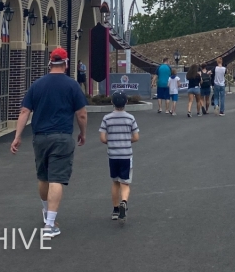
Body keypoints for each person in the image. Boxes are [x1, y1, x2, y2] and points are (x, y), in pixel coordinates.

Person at [11, 47, 88, 238]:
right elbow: (82, 114)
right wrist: (82, 133)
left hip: (40, 137)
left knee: (43, 177)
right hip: (62, 136)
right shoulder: (72, 86)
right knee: (57, 179)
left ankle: (47, 212)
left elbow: (24, 112)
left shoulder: (37, 85)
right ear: (66, 63)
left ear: (50, 63)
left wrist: (17, 136)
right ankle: (50, 225)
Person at [98, 91, 140, 223]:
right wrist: (127, 141)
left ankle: (115, 209)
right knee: (125, 183)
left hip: (113, 155)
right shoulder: (130, 118)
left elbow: (103, 138)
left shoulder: (107, 118)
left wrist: (111, 142)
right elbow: (136, 137)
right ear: (126, 102)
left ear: (112, 102)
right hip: (126, 155)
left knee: (115, 182)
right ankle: (124, 202)